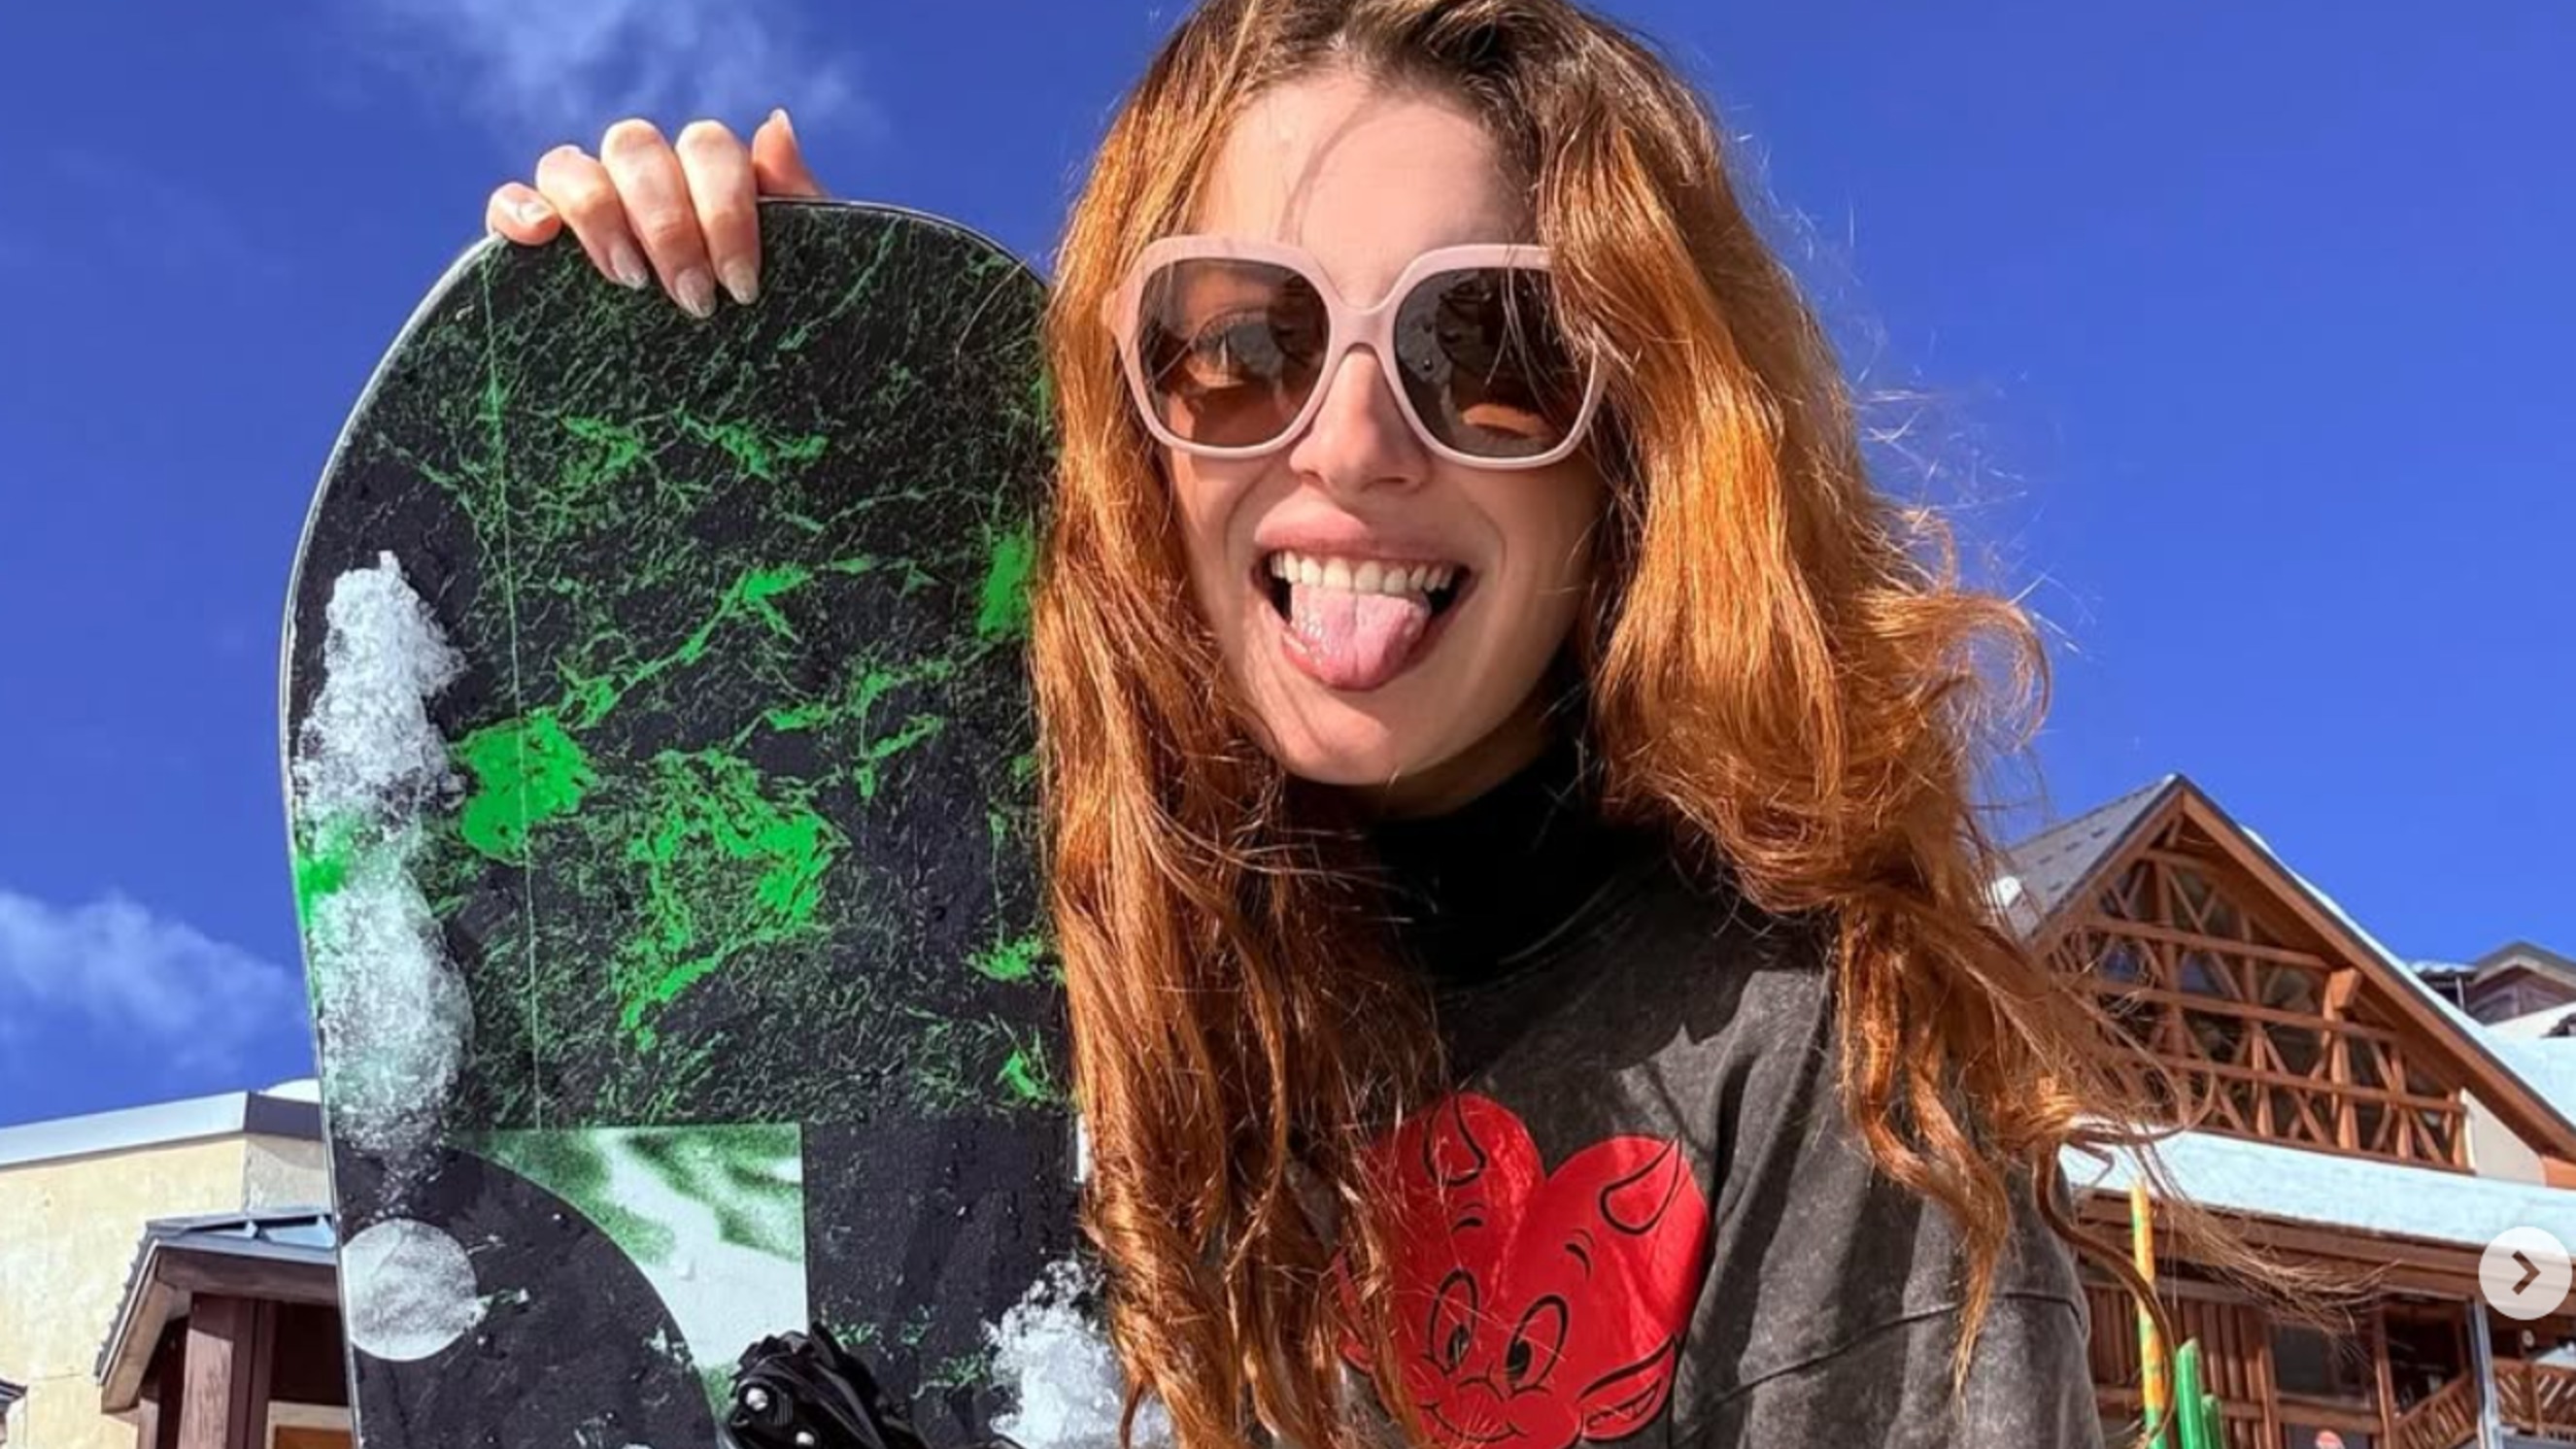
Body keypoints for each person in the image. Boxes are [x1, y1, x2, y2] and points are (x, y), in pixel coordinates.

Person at [485, 2, 2168, 1445]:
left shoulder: (1821, 1072)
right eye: (1242, 342)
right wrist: (780, 448)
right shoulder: (1020, 967)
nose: (1352, 441)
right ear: (1129, 422)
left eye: (1489, 345)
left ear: (1631, 449)